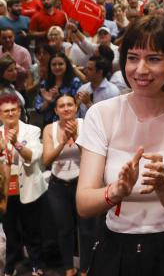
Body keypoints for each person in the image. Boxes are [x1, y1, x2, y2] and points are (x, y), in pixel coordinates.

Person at [75, 15, 164, 276]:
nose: (140, 70)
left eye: (153, 59)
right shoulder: (101, 114)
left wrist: (163, 184)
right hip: (113, 247)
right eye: (133, 57)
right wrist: (115, 191)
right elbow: (84, 202)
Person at [43, 94, 94, 276]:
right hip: (58, 185)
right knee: (64, 230)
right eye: (62, 106)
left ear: (76, 107)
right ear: (56, 110)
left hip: (83, 183)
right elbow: (46, 160)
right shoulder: (50, 128)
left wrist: (77, 137)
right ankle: (68, 269)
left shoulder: (85, 124)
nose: (66, 108)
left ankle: (85, 269)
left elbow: (91, 156)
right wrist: (63, 142)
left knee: (87, 229)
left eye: (70, 105)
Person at [0, 92, 47, 276]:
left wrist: (16, 144)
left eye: (13, 110)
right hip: (5, 190)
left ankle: (37, 264)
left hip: (28, 186)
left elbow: (34, 157)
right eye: (6, 111)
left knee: (32, 230)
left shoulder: (32, 130)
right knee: (10, 232)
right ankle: (10, 266)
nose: (10, 114)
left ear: (19, 111)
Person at [34, 52, 82, 125]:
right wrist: (48, 102)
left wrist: (58, 97)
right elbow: (38, 109)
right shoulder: (44, 84)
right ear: (50, 67)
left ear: (66, 65)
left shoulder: (75, 82)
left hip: (69, 122)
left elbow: (77, 105)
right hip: (49, 124)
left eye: (60, 64)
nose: (57, 67)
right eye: (54, 65)